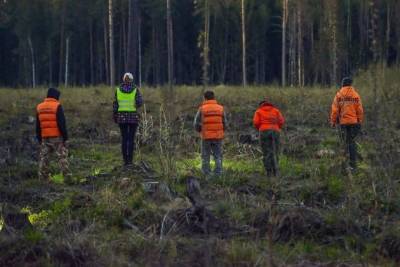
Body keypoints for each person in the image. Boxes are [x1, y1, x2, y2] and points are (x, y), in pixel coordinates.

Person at [36, 87, 71, 183]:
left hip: (44, 137)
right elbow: (61, 123)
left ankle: (43, 178)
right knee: (62, 157)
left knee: (44, 158)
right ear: (55, 96)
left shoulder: (39, 107)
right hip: (57, 137)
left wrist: (39, 138)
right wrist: (65, 137)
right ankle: (67, 177)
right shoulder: (57, 106)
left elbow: (38, 125)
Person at [330, 77, 364, 170]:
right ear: (351, 84)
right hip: (354, 123)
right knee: (352, 143)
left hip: (342, 124)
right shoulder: (356, 95)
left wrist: (333, 122)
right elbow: (360, 110)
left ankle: (343, 165)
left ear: (342, 84)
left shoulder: (338, 95)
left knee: (343, 143)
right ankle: (353, 165)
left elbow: (335, 111)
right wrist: (359, 121)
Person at [194, 91, 227, 177]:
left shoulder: (202, 109)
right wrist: (222, 131)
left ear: (204, 98)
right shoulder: (221, 108)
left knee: (205, 156)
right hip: (218, 136)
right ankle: (218, 174)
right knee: (218, 155)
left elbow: (196, 123)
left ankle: (206, 174)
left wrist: (199, 130)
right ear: (214, 97)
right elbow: (225, 123)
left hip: (206, 136)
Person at [113, 72, 143, 167]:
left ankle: (125, 161)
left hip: (121, 118)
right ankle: (130, 160)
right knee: (131, 139)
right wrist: (136, 105)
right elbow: (140, 102)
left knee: (124, 139)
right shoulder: (135, 89)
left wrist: (115, 114)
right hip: (133, 118)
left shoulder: (118, 90)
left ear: (123, 79)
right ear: (131, 80)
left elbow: (115, 104)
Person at [253, 98, 285, 176]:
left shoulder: (258, 111)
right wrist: (277, 128)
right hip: (275, 131)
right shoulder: (276, 110)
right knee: (275, 151)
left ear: (261, 105)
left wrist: (260, 129)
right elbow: (281, 121)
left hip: (264, 132)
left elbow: (256, 122)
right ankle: (276, 171)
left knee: (266, 152)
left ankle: (268, 172)